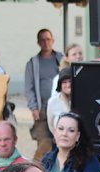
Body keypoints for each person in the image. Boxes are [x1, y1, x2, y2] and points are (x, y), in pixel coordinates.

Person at [24, 29, 63, 160]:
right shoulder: (33, 63)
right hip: (42, 109)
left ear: (53, 41)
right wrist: (33, 107)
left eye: (48, 39)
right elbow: (29, 87)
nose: (46, 42)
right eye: (43, 40)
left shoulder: (60, 59)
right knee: (44, 142)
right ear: (38, 42)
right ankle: (38, 168)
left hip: (59, 107)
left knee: (60, 140)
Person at [46, 68, 72, 136]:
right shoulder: (53, 102)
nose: (68, 85)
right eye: (64, 82)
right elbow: (50, 125)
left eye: (70, 81)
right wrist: (58, 138)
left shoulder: (80, 99)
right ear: (60, 85)